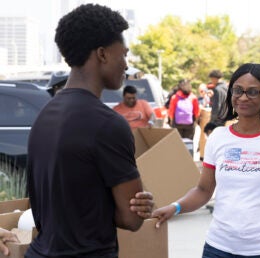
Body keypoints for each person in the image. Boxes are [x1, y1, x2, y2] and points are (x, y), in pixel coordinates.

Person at [26, 4, 154, 257]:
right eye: (124, 55)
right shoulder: (108, 124)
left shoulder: (44, 115)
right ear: (102, 54)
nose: (126, 65)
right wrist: (141, 204)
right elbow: (131, 219)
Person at [153, 63, 260, 257]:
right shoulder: (219, 137)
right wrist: (175, 207)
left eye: (253, 92)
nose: (244, 97)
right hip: (217, 247)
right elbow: (203, 190)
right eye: (238, 90)